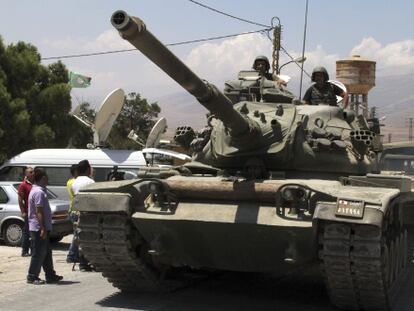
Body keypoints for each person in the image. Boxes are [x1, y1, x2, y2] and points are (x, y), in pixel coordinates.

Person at [26, 168, 63, 284]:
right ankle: (32, 276)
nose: (48, 179)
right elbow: (39, 212)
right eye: (46, 177)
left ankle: (50, 275)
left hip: (42, 227)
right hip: (38, 228)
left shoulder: (40, 190)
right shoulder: (39, 192)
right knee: (39, 252)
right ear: (43, 178)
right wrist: (42, 228)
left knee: (46, 252)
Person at [67, 159, 95, 271]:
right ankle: (84, 263)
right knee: (87, 240)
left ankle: (81, 261)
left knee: (79, 238)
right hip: (87, 214)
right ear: (88, 169)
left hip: (76, 212)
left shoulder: (75, 182)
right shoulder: (90, 182)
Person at [18, 167, 34, 257]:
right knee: (27, 232)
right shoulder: (23, 185)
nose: (33, 173)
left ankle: (33, 250)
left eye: (33, 172)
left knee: (34, 232)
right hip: (28, 212)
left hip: (35, 212)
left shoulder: (35, 184)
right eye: (31, 172)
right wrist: (23, 211)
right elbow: (20, 200)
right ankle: (24, 250)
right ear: (26, 174)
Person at [66, 164, 79, 264]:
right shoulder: (75, 182)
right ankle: (71, 255)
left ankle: (75, 255)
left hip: (72, 210)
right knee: (77, 235)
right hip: (76, 210)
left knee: (77, 234)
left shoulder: (69, 181)